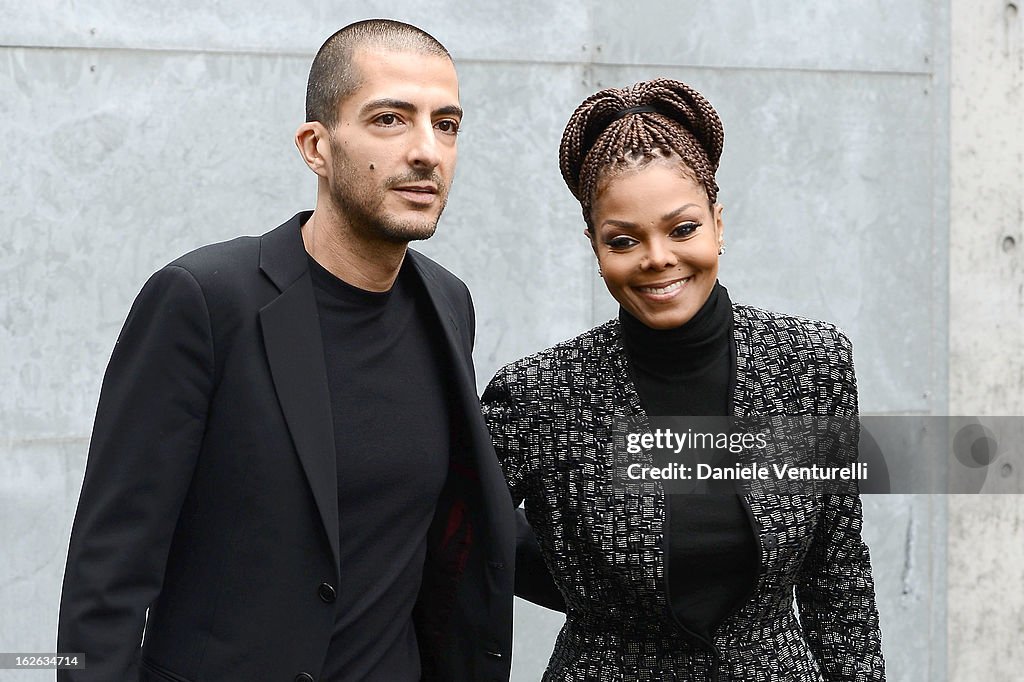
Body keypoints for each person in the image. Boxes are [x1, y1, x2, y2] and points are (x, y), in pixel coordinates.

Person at [57, 19, 515, 682]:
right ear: (316, 147)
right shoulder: (205, 302)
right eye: (390, 119)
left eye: (446, 124)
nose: (427, 151)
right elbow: (108, 577)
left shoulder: (448, 305)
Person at [483, 79, 885, 680]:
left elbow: (838, 576)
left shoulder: (812, 365)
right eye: (624, 239)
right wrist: (595, 598)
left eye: (683, 229)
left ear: (718, 224)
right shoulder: (537, 395)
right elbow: (451, 551)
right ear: (594, 247)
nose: (658, 258)